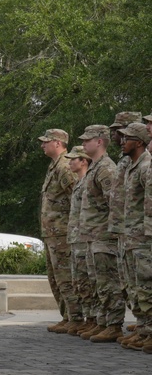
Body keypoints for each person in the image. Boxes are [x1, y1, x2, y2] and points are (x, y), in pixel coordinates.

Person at [77, 125, 126, 343]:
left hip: (104, 236)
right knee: (98, 282)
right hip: (92, 236)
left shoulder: (106, 168)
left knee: (109, 282)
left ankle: (113, 324)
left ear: (99, 142)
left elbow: (114, 203)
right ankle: (103, 321)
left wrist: (113, 233)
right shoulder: (95, 168)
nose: (84, 143)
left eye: (88, 140)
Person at [113, 123, 152, 350]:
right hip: (130, 236)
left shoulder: (147, 167)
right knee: (135, 287)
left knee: (146, 285)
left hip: (143, 237)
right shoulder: (132, 166)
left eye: (127, 138)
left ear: (138, 142)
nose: (122, 141)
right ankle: (144, 329)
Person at [38, 129, 78, 333]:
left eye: (46, 142)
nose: (42, 145)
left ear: (58, 143)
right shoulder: (54, 166)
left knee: (65, 277)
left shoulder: (65, 167)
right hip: (52, 234)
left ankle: (75, 317)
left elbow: (76, 197)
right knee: (55, 278)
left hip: (62, 233)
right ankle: (67, 316)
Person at [106, 112, 142, 334]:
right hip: (123, 230)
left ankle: (145, 325)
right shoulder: (126, 160)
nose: (117, 135)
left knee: (140, 281)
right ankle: (143, 323)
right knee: (128, 283)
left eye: (122, 130)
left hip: (137, 231)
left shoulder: (142, 161)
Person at [65, 146, 96, 336]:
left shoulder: (87, 183)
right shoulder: (79, 183)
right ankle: (89, 318)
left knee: (88, 280)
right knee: (80, 281)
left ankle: (94, 319)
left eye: (73, 159)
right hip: (76, 237)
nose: (69, 162)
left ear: (84, 161)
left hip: (85, 238)